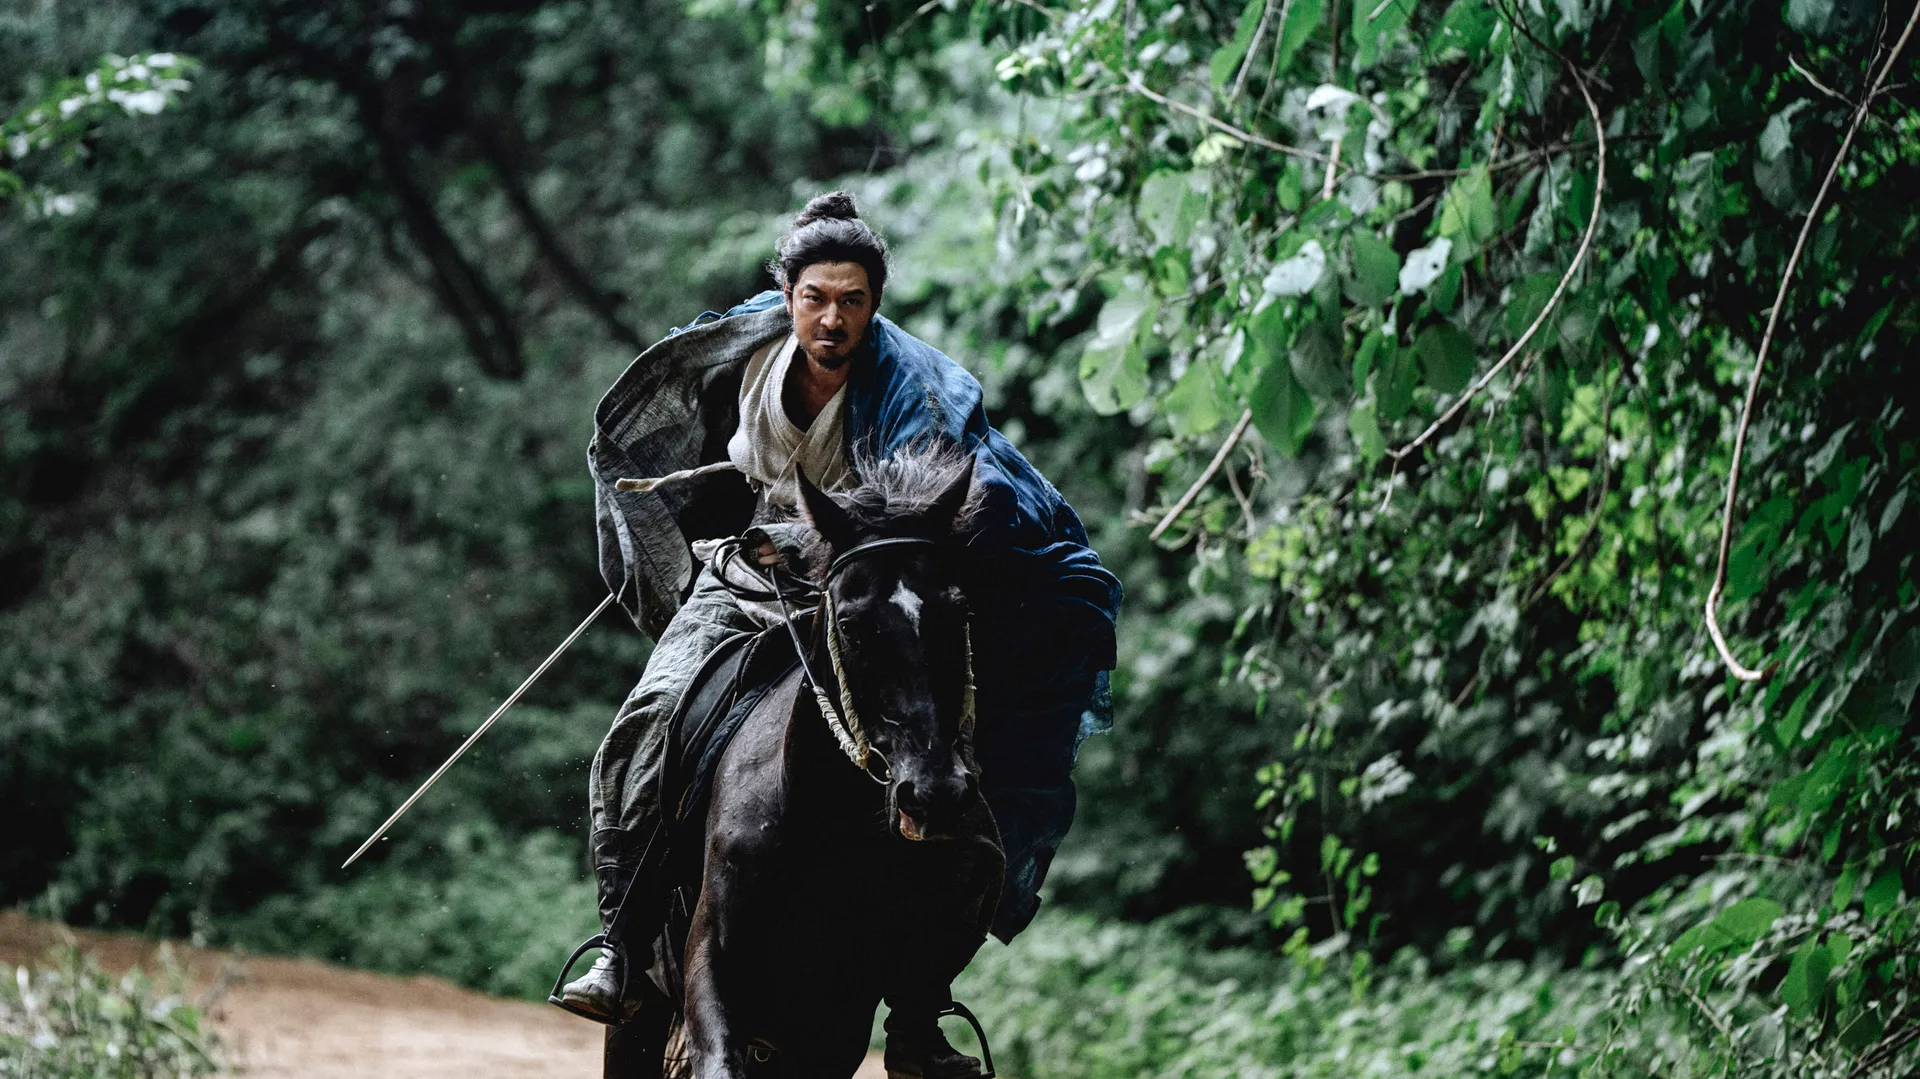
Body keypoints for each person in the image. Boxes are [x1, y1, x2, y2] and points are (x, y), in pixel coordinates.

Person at [567, 191, 1121, 1075]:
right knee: (645, 722)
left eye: (853, 301)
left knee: (944, 753)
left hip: (869, 589)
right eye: (816, 298)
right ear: (786, 296)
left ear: (875, 305)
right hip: (750, 583)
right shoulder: (746, 355)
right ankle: (622, 943)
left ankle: (918, 1012)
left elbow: (925, 506)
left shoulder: (914, 394)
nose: (833, 319)